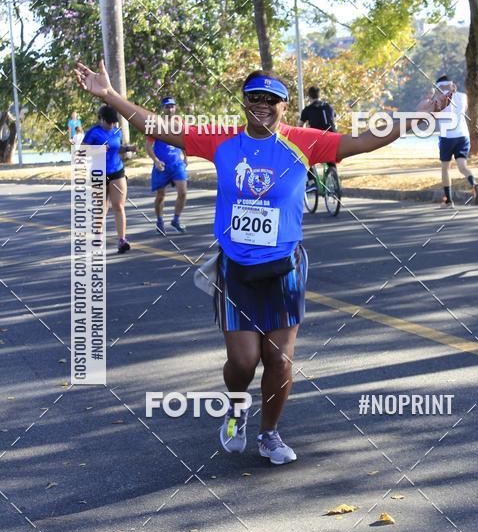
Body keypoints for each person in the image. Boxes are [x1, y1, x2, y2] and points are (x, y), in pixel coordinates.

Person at [74, 59, 422, 463]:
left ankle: (269, 433)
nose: (262, 105)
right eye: (254, 97)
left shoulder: (305, 142)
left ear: (284, 106)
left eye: (272, 100)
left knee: (279, 358)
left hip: (284, 267)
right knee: (243, 362)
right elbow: (157, 126)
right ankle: (237, 407)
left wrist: (418, 115)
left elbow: (364, 140)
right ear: (243, 102)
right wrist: (109, 95)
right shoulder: (221, 140)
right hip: (236, 268)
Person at [417, 75, 478, 208]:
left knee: (445, 168)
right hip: (462, 136)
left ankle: (448, 201)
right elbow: (463, 109)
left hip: (447, 137)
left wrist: (429, 96)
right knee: (462, 166)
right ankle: (474, 184)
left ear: (438, 87)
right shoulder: (463, 96)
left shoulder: (437, 100)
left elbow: (422, 110)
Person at [82, 104, 136, 253]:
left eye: (113, 122)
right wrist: (97, 150)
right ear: (101, 119)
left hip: (117, 171)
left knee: (118, 206)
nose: (111, 125)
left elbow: (116, 148)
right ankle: (98, 237)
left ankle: (122, 240)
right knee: (101, 207)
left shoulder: (117, 132)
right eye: (109, 122)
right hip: (98, 173)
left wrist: (128, 148)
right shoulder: (93, 132)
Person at [145, 97, 189, 235]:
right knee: (161, 195)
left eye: (172, 106)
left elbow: (184, 141)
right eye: (167, 107)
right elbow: (148, 146)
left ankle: (176, 220)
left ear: (175, 108)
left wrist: (186, 157)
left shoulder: (180, 123)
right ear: (162, 109)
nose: (170, 109)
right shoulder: (156, 124)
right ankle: (159, 222)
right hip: (161, 165)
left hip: (176, 164)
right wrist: (156, 161)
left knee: (183, 193)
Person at [300, 86, 337, 171]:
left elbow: (300, 126)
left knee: (305, 158)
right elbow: (333, 120)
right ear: (320, 95)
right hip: (333, 138)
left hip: (317, 139)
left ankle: (312, 178)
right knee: (330, 160)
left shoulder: (308, 109)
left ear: (309, 96)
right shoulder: (329, 107)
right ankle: (333, 172)